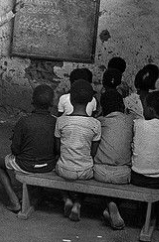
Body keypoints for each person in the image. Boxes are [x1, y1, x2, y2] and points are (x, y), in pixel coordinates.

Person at [0, 85, 57, 212]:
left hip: (26, 165)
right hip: (49, 165)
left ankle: (13, 201)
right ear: (52, 103)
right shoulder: (56, 122)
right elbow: (57, 148)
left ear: (32, 102)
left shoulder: (24, 121)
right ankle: (34, 194)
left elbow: (15, 150)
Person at [54, 80, 101, 222]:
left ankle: (66, 198)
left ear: (70, 99)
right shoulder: (96, 124)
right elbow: (93, 152)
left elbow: (57, 148)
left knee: (58, 169)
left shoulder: (61, 121)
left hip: (63, 169)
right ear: (90, 101)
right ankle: (78, 203)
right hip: (84, 171)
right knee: (88, 170)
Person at [131, 91, 159, 231]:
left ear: (150, 110)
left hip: (136, 177)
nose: (143, 110)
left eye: (144, 107)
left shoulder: (138, 125)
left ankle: (141, 215)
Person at [93, 90, 134, 230]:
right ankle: (112, 204)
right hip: (123, 174)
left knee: (104, 175)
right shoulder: (130, 120)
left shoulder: (100, 121)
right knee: (121, 177)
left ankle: (110, 204)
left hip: (99, 172)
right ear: (122, 105)